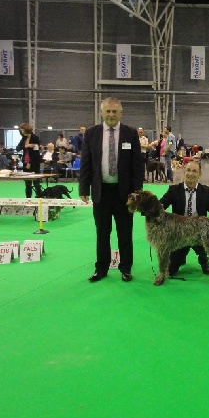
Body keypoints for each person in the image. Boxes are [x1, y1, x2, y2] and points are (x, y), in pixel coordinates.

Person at [79, 97, 143, 282]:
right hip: (101, 192)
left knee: (125, 232)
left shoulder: (131, 134)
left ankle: (126, 268)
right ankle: (101, 269)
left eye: (114, 111)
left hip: (125, 194)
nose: (111, 115)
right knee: (102, 233)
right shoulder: (91, 134)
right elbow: (86, 163)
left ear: (120, 113)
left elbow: (137, 166)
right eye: (108, 111)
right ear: (101, 112)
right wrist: (84, 187)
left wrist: (137, 192)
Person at [159, 160, 209, 276]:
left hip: (200, 232)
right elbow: (161, 206)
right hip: (179, 234)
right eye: (188, 170)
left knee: (207, 245)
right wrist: (148, 206)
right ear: (184, 172)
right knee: (171, 271)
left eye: (194, 171)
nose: (191, 174)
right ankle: (180, 258)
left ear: (199, 174)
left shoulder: (206, 191)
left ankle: (204, 260)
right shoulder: (174, 190)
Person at [15, 123, 43, 198]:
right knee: (27, 184)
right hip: (25, 162)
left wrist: (30, 163)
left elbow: (36, 152)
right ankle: (28, 199)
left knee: (36, 183)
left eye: (22, 130)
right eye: (21, 131)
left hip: (34, 163)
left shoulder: (35, 138)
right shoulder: (23, 139)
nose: (22, 132)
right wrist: (26, 145)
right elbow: (17, 148)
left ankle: (39, 198)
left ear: (27, 129)